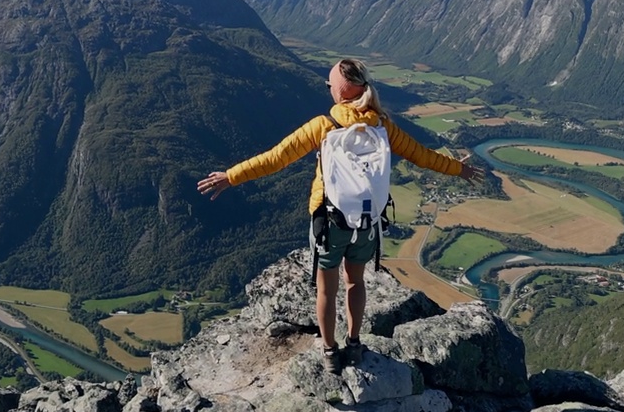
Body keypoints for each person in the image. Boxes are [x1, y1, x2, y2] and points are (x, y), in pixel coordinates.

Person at [197, 58, 484, 373]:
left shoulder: (323, 126)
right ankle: (355, 343)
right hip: (366, 223)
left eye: (330, 83)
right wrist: (459, 168)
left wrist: (231, 176)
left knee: (326, 289)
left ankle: (331, 351)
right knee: (355, 282)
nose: (328, 87)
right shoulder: (382, 126)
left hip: (329, 221)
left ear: (342, 90)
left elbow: (276, 158)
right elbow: (423, 156)